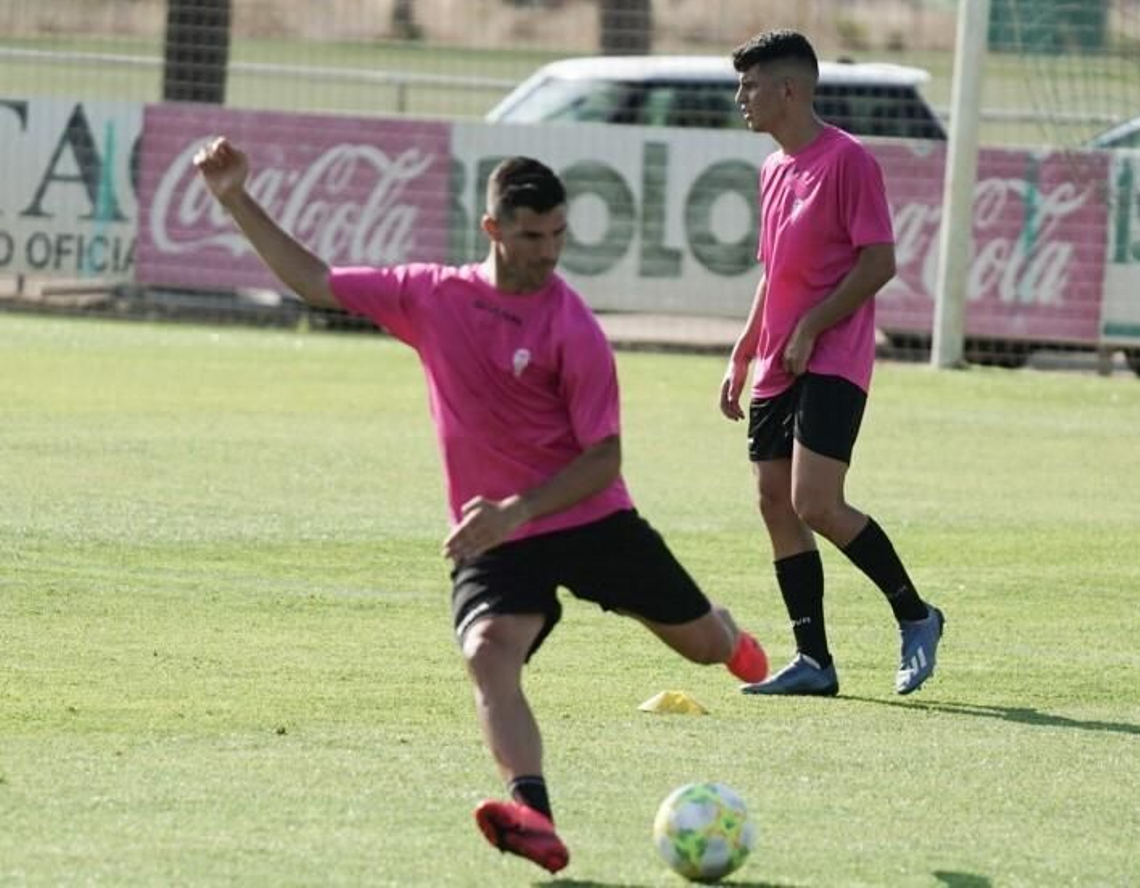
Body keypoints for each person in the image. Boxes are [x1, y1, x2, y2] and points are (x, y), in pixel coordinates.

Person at [193, 139, 768, 875]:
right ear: (493, 229)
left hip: (588, 517)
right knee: (488, 654)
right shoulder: (432, 296)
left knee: (701, 646)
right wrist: (234, 196)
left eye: (559, 234)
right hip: (498, 533)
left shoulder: (574, 327)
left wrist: (515, 509)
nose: (550, 252)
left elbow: (604, 460)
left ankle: (731, 635)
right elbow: (314, 280)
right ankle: (534, 814)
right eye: (533, 235)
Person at [719, 29, 944, 698]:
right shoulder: (772, 169)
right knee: (773, 502)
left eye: (751, 86)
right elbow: (774, 271)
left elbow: (880, 261)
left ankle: (917, 614)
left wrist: (815, 324)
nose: (741, 99)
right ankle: (813, 660)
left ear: (788, 89)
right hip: (780, 358)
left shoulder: (848, 161)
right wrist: (743, 346)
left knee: (814, 500)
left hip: (833, 356)